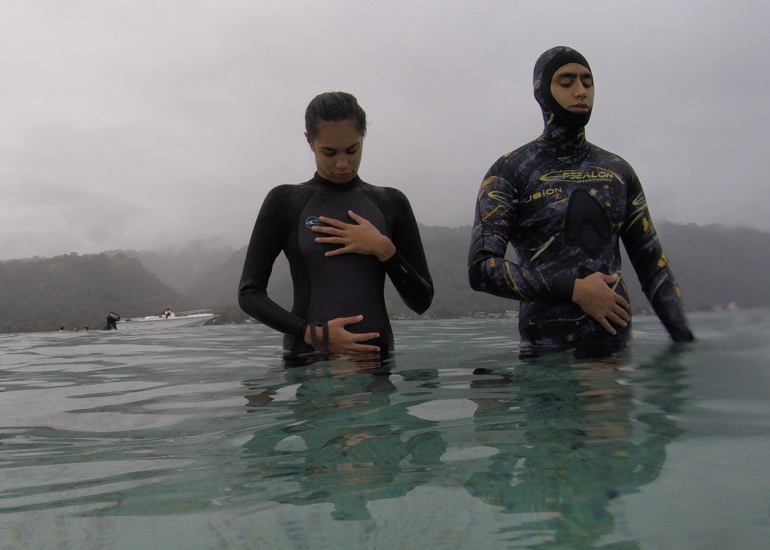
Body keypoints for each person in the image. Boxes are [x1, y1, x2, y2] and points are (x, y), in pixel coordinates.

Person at [468, 46, 694, 357]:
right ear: (542, 91)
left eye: (587, 82)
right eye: (566, 82)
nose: (580, 91)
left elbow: (654, 270)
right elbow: (481, 267)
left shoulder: (618, 172)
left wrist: (687, 345)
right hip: (546, 356)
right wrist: (574, 290)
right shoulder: (511, 171)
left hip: (615, 356)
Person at [238, 92, 434, 366]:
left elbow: (422, 301)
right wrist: (311, 332)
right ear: (310, 141)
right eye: (329, 152)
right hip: (308, 364)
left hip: (376, 367)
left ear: (363, 138)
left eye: (352, 150)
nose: (342, 164)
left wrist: (384, 249)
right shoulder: (285, 202)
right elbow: (249, 293)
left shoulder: (391, 203)